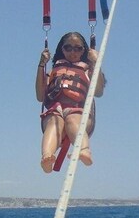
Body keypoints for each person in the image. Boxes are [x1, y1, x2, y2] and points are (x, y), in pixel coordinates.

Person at [36, 31, 106, 173]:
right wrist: (41, 65)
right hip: (56, 110)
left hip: (77, 111)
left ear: (83, 51)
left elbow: (98, 92)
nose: (72, 52)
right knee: (54, 123)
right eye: (68, 48)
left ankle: (84, 150)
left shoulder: (88, 71)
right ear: (62, 49)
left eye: (77, 48)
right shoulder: (54, 70)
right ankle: (47, 157)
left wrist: (97, 63)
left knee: (72, 120)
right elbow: (40, 96)